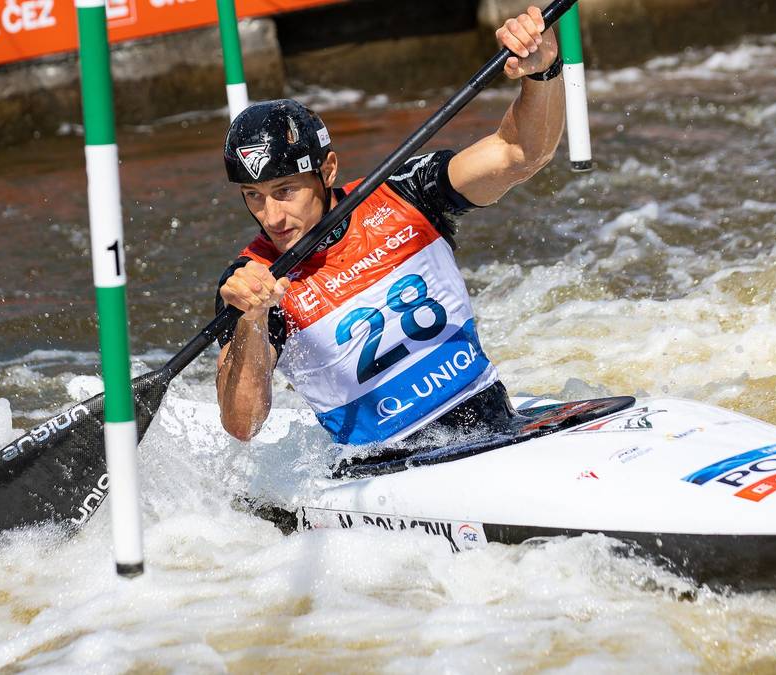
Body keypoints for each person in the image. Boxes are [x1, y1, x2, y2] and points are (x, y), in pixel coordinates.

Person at [215, 6, 565, 446]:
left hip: (493, 425)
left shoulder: (404, 192)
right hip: (380, 473)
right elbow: (243, 425)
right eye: (254, 197)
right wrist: (252, 319)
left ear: (327, 170)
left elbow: (521, 153)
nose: (271, 216)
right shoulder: (251, 281)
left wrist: (544, 71)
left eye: (285, 191)